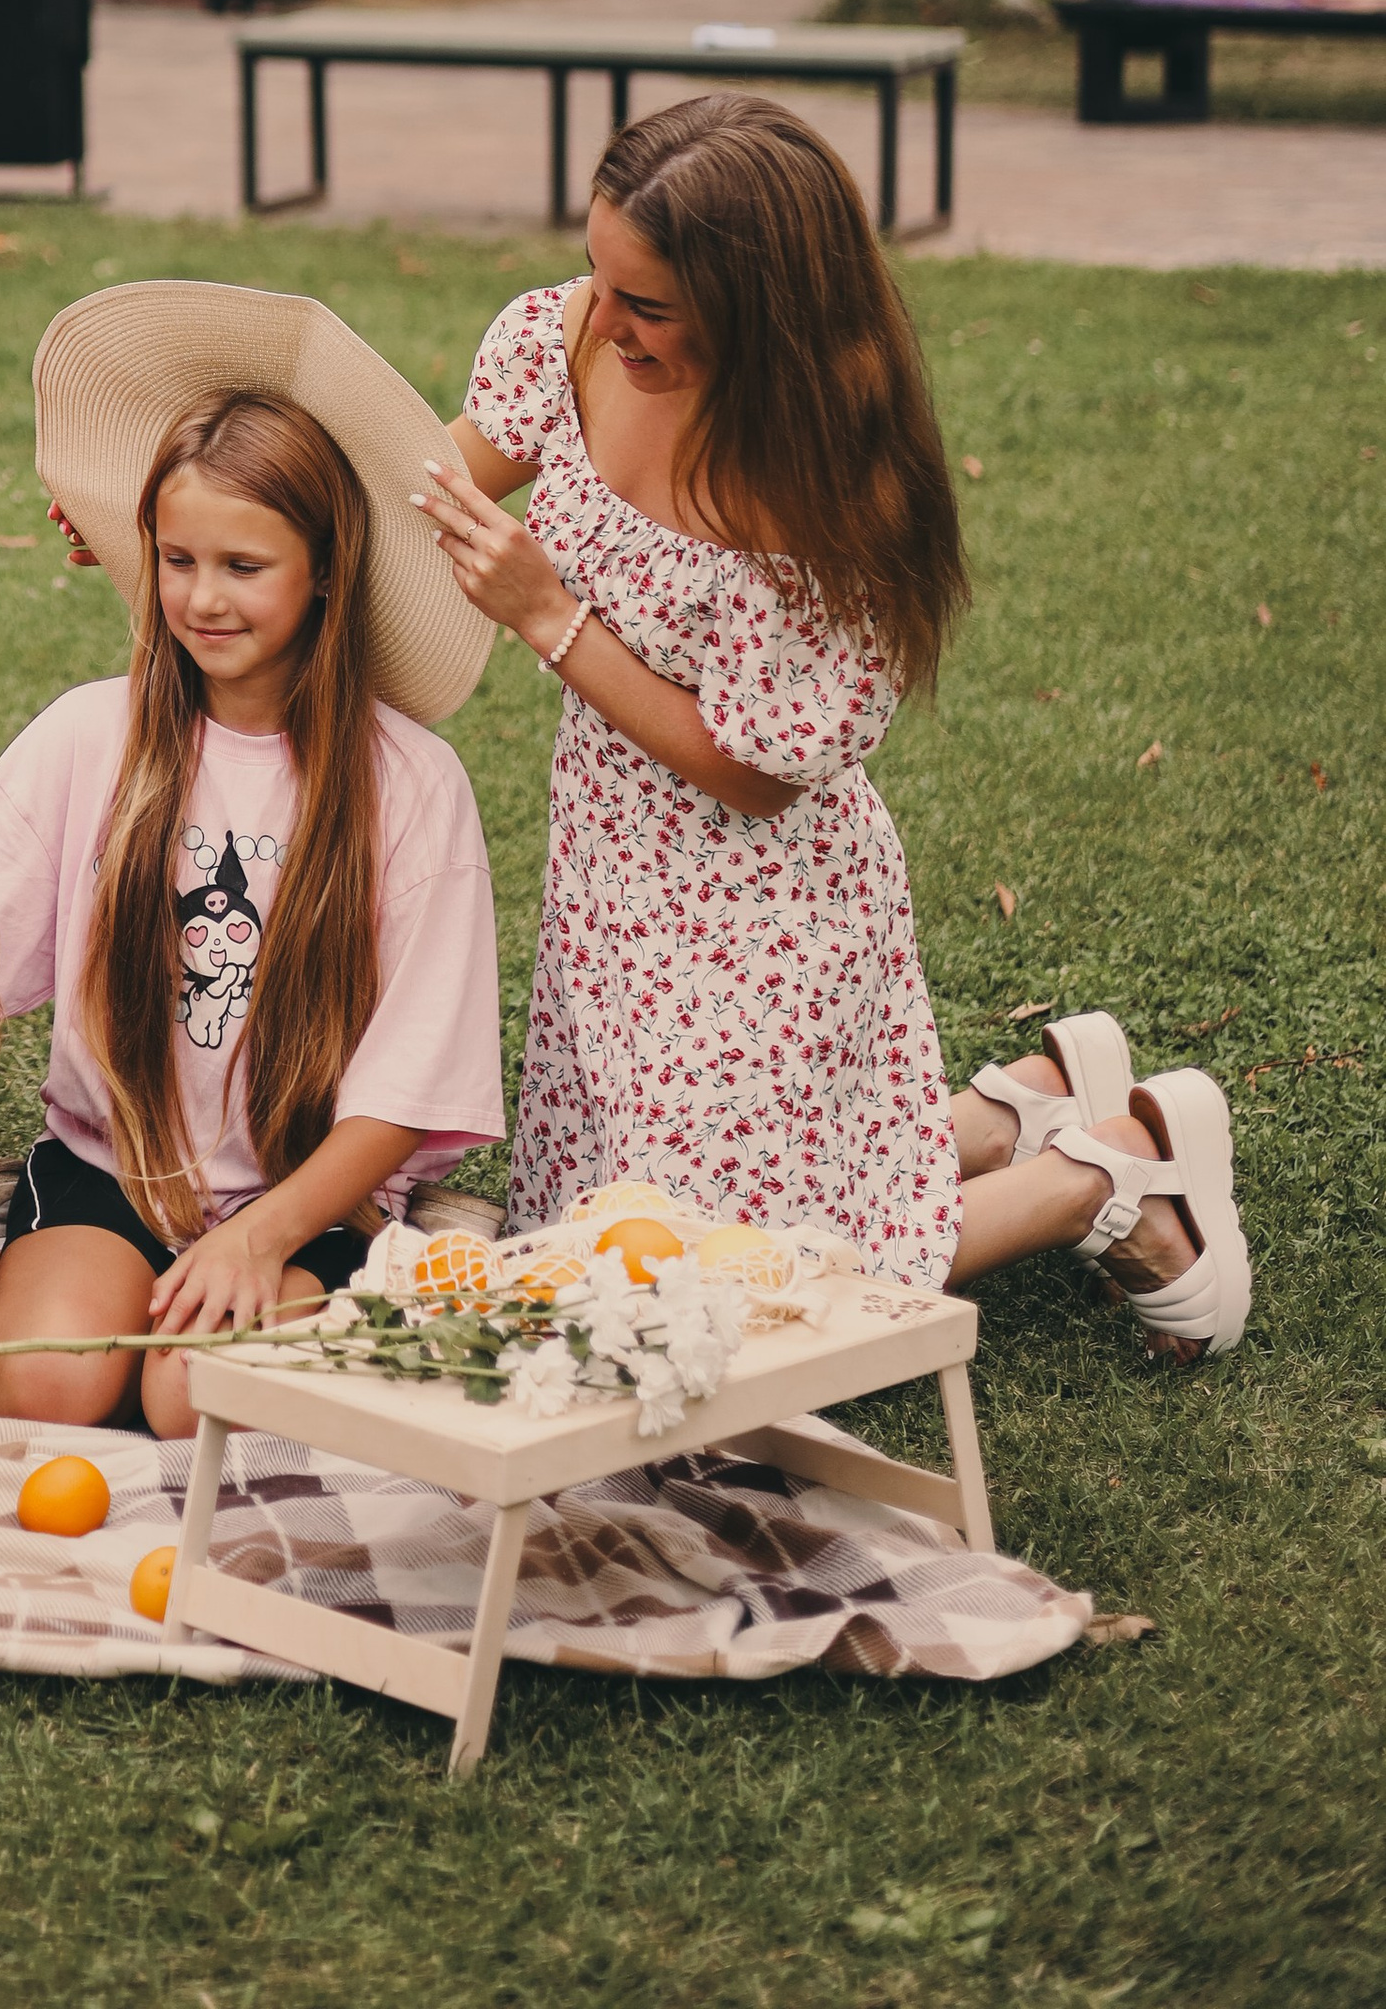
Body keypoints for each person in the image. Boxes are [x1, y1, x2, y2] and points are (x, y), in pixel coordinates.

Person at [419, 91, 1251, 1359]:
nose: (607, 317)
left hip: (766, 898)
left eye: (650, 304)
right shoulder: (576, 338)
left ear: (761, 310)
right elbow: (418, 488)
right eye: (599, 274)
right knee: (632, 1226)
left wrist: (549, 616)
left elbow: (759, 780)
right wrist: (169, 526)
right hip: (610, 860)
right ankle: (1024, 1105)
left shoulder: (831, 482)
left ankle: (1103, 1177)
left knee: (727, 1294)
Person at [0, 280, 504, 1443]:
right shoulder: (91, 737)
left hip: (302, 1195)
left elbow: (402, 1095)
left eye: (243, 567)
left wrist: (265, 1233)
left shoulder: (410, 785)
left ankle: (325, 1292)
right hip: (111, 1169)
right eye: (177, 557)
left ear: (325, 571)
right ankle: (4, 1245)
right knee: (37, 1387)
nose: (198, 599)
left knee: (192, 1402)